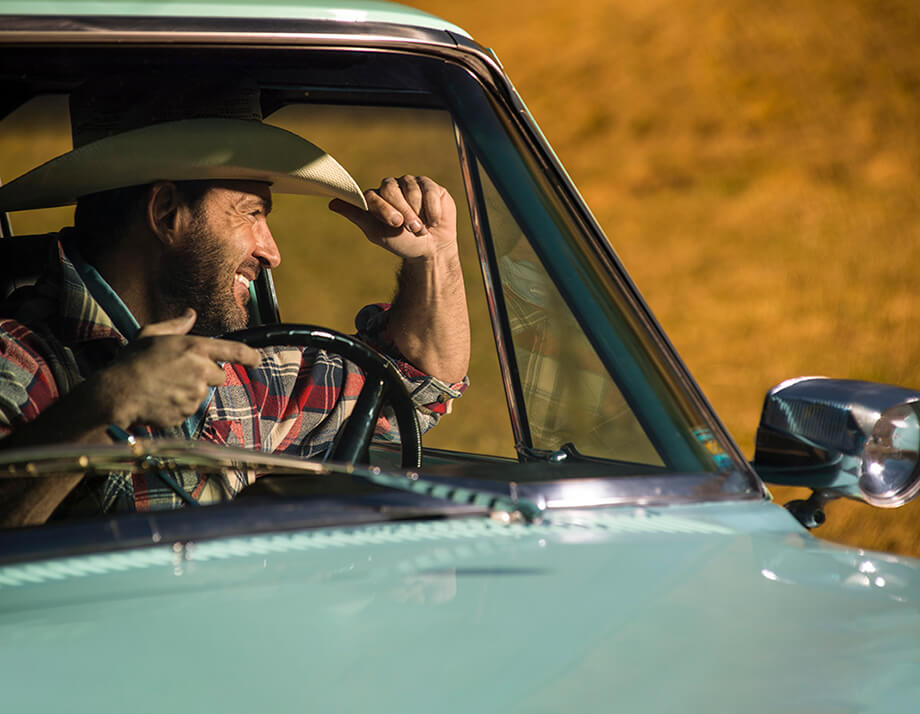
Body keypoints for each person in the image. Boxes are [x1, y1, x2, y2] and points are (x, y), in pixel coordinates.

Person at [0, 75, 470, 526]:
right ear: (166, 214)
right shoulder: (20, 364)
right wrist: (107, 403)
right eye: (252, 213)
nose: (271, 252)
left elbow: (416, 382)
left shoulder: (239, 373)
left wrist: (434, 258)